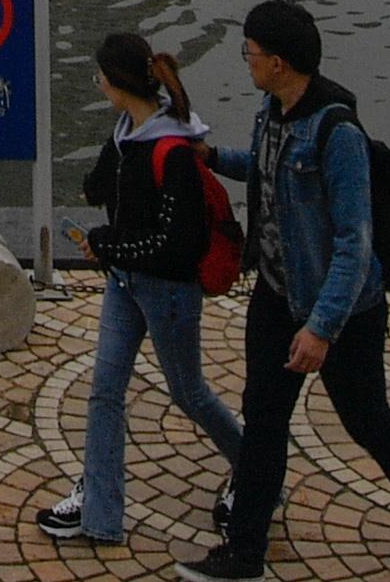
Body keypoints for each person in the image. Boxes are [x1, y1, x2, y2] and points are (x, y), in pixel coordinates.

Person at [186, 0, 390, 582]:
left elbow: (354, 243)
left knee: (366, 420)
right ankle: (245, 550)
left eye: (250, 52)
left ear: (278, 62)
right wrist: (210, 156)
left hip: (342, 312)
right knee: (264, 420)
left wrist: (321, 328)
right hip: (276, 296)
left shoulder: (337, 134)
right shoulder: (272, 110)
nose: (246, 61)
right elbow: (265, 170)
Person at [38, 31, 241, 546]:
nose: (98, 84)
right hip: (124, 282)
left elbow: (175, 247)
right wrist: (115, 159)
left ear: (114, 82)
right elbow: (96, 188)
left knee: (189, 393)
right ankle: (100, 512)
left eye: (99, 77)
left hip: (167, 291)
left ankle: (257, 473)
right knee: (105, 391)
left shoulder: (173, 151)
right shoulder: (128, 132)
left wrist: (107, 244)